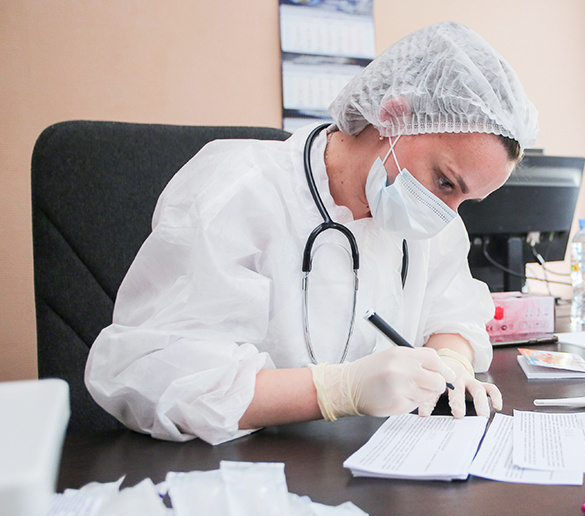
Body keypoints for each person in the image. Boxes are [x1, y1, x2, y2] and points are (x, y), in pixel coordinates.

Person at [85, 21, 539, 444]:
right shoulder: (239, 188)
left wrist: (451, 362)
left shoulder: (429, 222)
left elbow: (453, 314)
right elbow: (153, 375)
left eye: (465, 200)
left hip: (368, 469)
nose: (447, 214)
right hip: (241, 473)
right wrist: (336, 391)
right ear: (393, 116)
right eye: (444, 182)